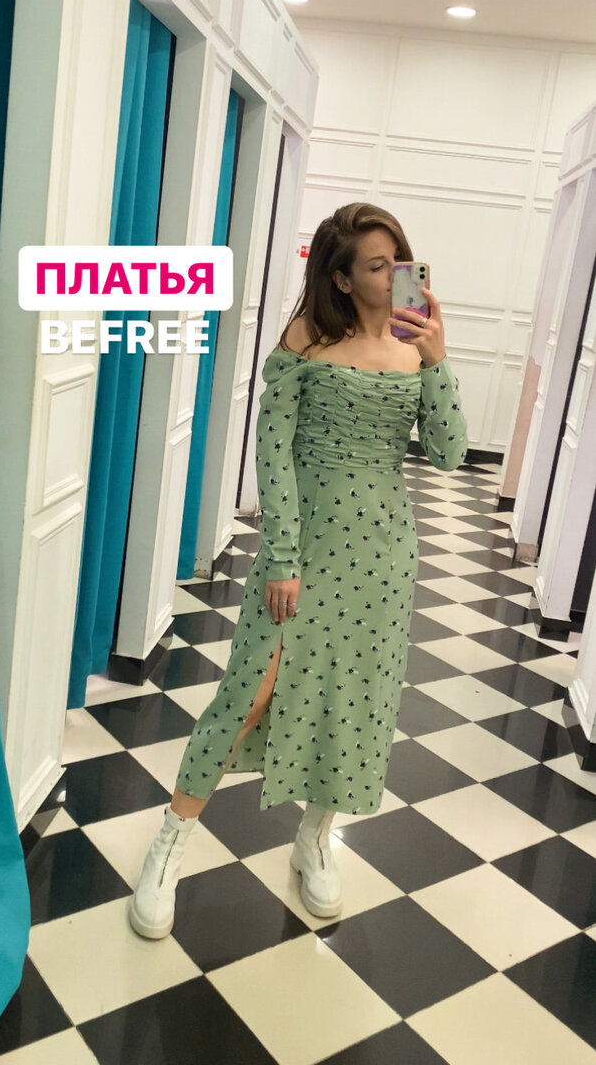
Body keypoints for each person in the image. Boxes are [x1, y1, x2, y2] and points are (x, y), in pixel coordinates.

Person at [129, 201, 468, 939]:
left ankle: (315, 837)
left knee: (357, 698)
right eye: (376, 265)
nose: (395, 274)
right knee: (248, 694)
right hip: (306, 550)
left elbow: (448, 454)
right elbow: (273, 454)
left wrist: (438, 359)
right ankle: (170, 842)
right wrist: (281, 556)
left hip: (382, 556)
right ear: (341, 279)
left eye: (397, 259)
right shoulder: (305, 341)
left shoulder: (417, 343)